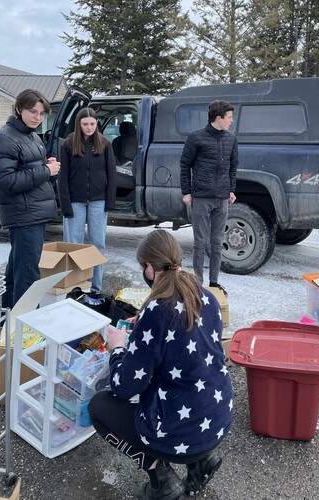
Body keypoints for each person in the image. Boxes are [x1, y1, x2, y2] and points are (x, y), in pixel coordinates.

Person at [88, 229, 233, 500]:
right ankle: (201, 463)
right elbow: (186, 342)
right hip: (217, 421)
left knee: (98, 407)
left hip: (180, 433)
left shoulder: (157, 311)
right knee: (183, 386)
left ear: (150, 268)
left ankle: (162, 479)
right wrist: (141, 328)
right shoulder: (207, 297)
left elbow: (124, 387)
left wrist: (117, 347)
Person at [0, 89, 60, 308]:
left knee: (17, 273)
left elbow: (26, 169)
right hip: (24, 215)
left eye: (41, 113)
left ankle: (9, 326)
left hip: (33, 213)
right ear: (18, 109)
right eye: (32, 111)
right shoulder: (4, 138)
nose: (37, 117)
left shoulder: (30, 136)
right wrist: (46, 171)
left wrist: (45, 166)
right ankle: (26, 331)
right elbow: (4, 181)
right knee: (28, 277)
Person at [180, 100, 238, 293]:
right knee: (199, 243)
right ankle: (197, 283)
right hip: (201, 197)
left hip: (222, 198)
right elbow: (185, 164)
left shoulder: (231, 139)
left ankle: (213, 283)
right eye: (229, 117)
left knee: (217, 243)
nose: (231, 121)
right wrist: (186, 192)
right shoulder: (196, 138)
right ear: (218, 118)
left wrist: (231, 189)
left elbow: (233, 166)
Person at [58, 107, 117, 292]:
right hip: (75, 202)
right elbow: (63, 177)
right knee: (73, 246)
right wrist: (65, 205)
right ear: (79, 124)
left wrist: (110, 201)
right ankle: (73, 287)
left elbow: (111, 174)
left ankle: (95, 288)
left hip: (98, 202)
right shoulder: (67, 144)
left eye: (92, 124)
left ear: (96, 124)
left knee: (97, 245)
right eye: (85, 124)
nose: (89, 127)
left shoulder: (105, 143)